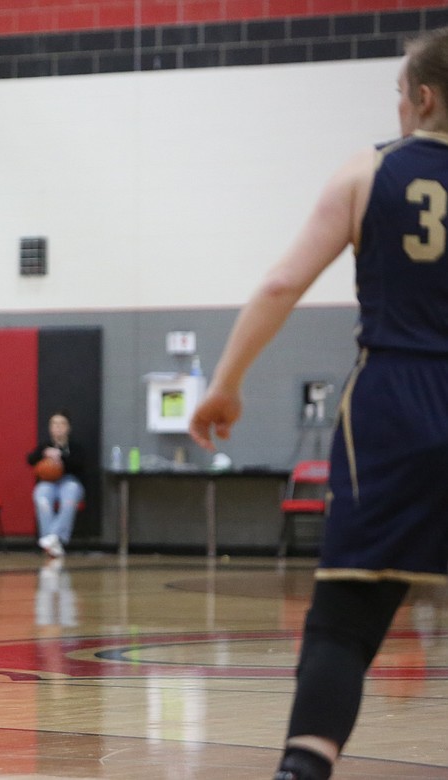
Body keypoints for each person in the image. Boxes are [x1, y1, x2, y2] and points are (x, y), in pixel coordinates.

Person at [188, 28, 448, 780]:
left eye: (400, 94)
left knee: (346, 619)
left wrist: (227, 382)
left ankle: (304, 768)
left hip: (393, 401)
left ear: (423, 97)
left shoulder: (370, 172)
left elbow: (279, 285)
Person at [26, 411, 86, 558]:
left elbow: (80, 465)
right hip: (49, 482)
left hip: (69, 481)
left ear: (68, 428)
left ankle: (51, 538)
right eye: (54, 424)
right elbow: (30, 460)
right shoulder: (45, 446)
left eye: (62, 424)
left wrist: (62, 458)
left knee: (69, 500)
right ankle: (53, 543)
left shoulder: (75, 447)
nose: (58, 427)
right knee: (41, 497)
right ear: (50, 428)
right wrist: (44, 455)